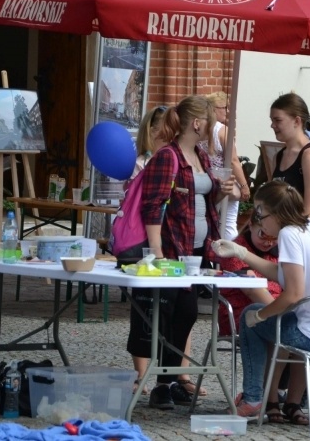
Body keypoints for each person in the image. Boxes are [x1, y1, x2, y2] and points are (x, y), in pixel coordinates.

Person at [211, 181, 310, 426]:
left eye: (260, 212)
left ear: (277, 213)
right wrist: (242, 253)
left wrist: (260, 317)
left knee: (251, 316)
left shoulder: (289, 234)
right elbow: (283, 272)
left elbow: (293, 293)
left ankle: (252, 399)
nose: (259, 218)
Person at [134, 95, 236, 410]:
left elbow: (201, 194)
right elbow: (153, 205)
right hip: (173, 247)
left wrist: (223, 189)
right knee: (175, 312)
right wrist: (157, 251)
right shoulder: (168, 156)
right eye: (210, 120)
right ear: (197, 123)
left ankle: (169, 380)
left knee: (186, 312)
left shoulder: (200, 156)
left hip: (197, 250)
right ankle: (162, 383)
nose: (212, 126)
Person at [215, 215, 289, 423]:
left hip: (272, 309)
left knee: (298, 326)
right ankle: (269, 398)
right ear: (251, 225)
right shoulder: (235, 250)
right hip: (243, 313)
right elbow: (253, 291)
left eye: (274, 239)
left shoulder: (278, 252)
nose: (269, 242)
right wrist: (282, 312)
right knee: (281, 327)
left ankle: (286, 399)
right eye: (263, 235)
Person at [122, 105, 167, 395]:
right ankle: (142, 374)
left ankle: (176, 375)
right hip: (143, 241)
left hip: (168, 240)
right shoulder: (142, 163)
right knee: (143, 307)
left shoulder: (177, 159)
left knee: (172, 309)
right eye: (162, 128)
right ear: (150, 132)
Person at [201, 92, 251, 241]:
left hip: (207, 181)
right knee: (228, 224)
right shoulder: (222, 130)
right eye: (224, 107)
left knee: (209, 220)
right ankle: (231, 260)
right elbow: (234, 161)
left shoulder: (201, 129)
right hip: (225, 182)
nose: (227, 111)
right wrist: (244, 185)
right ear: (214, 109)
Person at [270, 93, 310, 222]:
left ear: (296, 121)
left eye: (277, 120)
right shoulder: (278, 157)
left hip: (301, 234)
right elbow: (271, 200)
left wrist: (286, 234)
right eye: (272, 120)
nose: (272, 125)